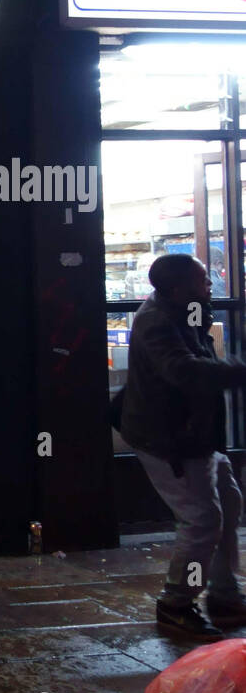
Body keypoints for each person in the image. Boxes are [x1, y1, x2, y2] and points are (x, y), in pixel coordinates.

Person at [119, 253, 246, 640]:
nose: (209, 284)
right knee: (203, 518)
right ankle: (176, 604)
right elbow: (184, 370)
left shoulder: (186, 308)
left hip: (195, 435)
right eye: (202, 279)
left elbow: (199, 357)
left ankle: (224, 594)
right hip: (169, 439)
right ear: (178, 287)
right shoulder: (156, 321)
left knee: (228, 501)